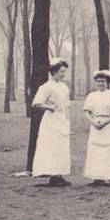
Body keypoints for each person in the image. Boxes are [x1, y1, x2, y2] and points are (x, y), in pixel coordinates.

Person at [32, 58, 72, 187]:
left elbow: (66, 106)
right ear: (54, 71)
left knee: (61, 147)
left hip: (62, 119)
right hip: (51, 121)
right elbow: (36, 103)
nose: (63, 74)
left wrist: (67, 121)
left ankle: (59, 175)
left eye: (64, 72)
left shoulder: (64, 87)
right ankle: (53, 176)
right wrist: (51, 108)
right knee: (52, 147)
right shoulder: (46, 87)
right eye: (61, 72)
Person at [82, 69, 110, 186]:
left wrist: (106, 121)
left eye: (103, 81)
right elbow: (86, 111)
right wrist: (93, 122)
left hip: (109, 124)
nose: (100, 84)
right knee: (95, 151)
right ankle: (97, 178)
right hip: (95, 125)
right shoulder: (91, 96)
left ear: (108, 82)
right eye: (98, 81)